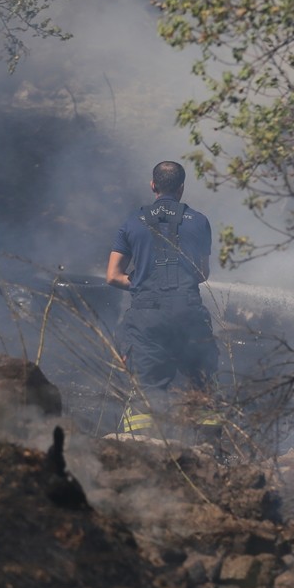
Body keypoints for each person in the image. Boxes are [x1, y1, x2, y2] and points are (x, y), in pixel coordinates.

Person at [106, 161, 219, 434]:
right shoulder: (200, 221)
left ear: (153, 185)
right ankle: (211, 454)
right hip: (189, 314)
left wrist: (141, 283)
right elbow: (202, 273)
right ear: (181, 188)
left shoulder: (133, 221)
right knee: (200, 387)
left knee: (147, 391)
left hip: (147, 317)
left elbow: (112, 276)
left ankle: (143, 451)